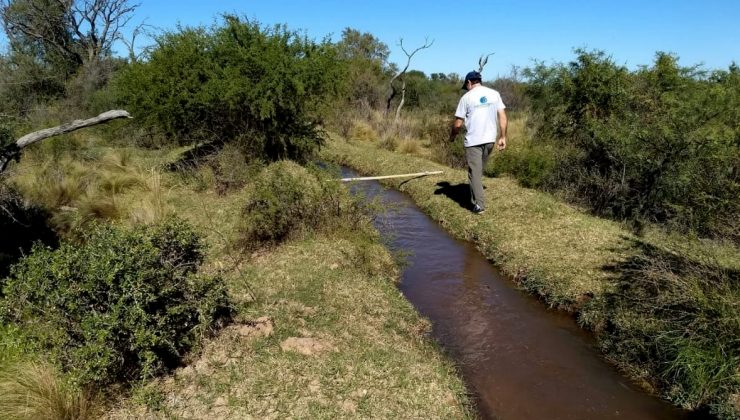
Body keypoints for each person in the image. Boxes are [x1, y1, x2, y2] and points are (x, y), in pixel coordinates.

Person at [449, 71, 507, 214]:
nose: (467, 87)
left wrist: (452, 136)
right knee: (478, 171)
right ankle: (477, 194)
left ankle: (479, 205)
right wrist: (503, 136)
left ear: (469, 83)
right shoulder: (494, 94)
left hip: (474, 141)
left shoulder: (466, 97)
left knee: (474, 173)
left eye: (466, 85)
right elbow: (503, 116)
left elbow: (458, 123)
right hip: (490, 140)